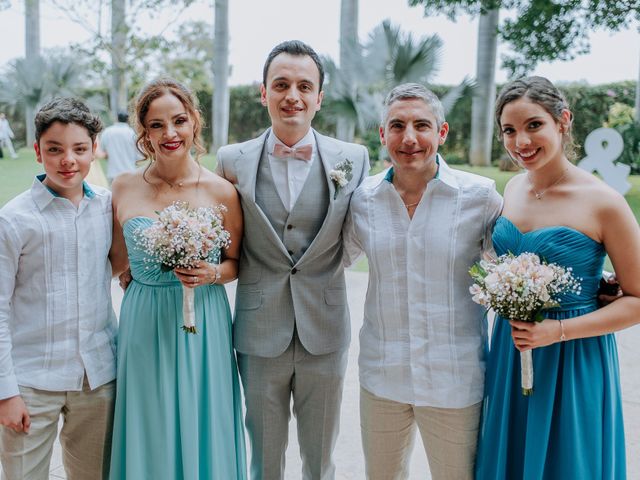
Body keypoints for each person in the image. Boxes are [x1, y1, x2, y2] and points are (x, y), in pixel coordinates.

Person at [216, 40, 369, 479]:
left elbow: (357, 232)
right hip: (259, 330)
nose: (292, 96)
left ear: (320, 97)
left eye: (305, 86)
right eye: (281, 84)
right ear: (263, 92)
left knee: (320, 457)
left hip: (325, 329)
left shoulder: (353, 159)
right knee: (264, 455)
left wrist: (326, 271)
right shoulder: (231, 160)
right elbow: (222, 235)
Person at [475, 76, 640, 479]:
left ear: (562, 121)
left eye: (534, 125)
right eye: (509, 131)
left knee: (569, 462)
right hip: (511, 353)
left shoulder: (604, 202)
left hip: (574, 356)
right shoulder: (511, 189)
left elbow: (637, 300)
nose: (521, 142)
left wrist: (558, 330)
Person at [343, 83, 502, 479]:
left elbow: (512, 266)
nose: (409, 138)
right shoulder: (362, 199)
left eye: (421, 125)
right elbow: (333, 260)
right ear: (383, 135)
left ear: (441, 133)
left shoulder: (480, 197)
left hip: (455, 379)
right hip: (382, 375)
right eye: (397, 126)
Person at [108, 77, 247, 479]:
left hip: (203, 319)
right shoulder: (122, 186)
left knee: (203, 413)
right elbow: (117, 260)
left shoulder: (222, 191)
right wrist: (134, 271)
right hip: (143, 318)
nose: (169, 133)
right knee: (149, 418)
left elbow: (236, 260)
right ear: (143, 133)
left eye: (179, 121)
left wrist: (211, 272)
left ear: (194, 124)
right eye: (156, 124)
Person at [0, 97, 117, 479]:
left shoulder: (108, 207)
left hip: (96, 379)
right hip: (31, 382)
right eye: (55, 149)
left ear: (93, 150)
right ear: (37, 151)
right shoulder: (13, 220)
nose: (68, 159)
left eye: (79, 149)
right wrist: (6, 392)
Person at [96, 111, 142, 183]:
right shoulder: (131, 133)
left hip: (113, 173)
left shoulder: (108, 132)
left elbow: (102, 151)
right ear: (127, 120)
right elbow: (139, 155)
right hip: (130, 173)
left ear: (117, 118)